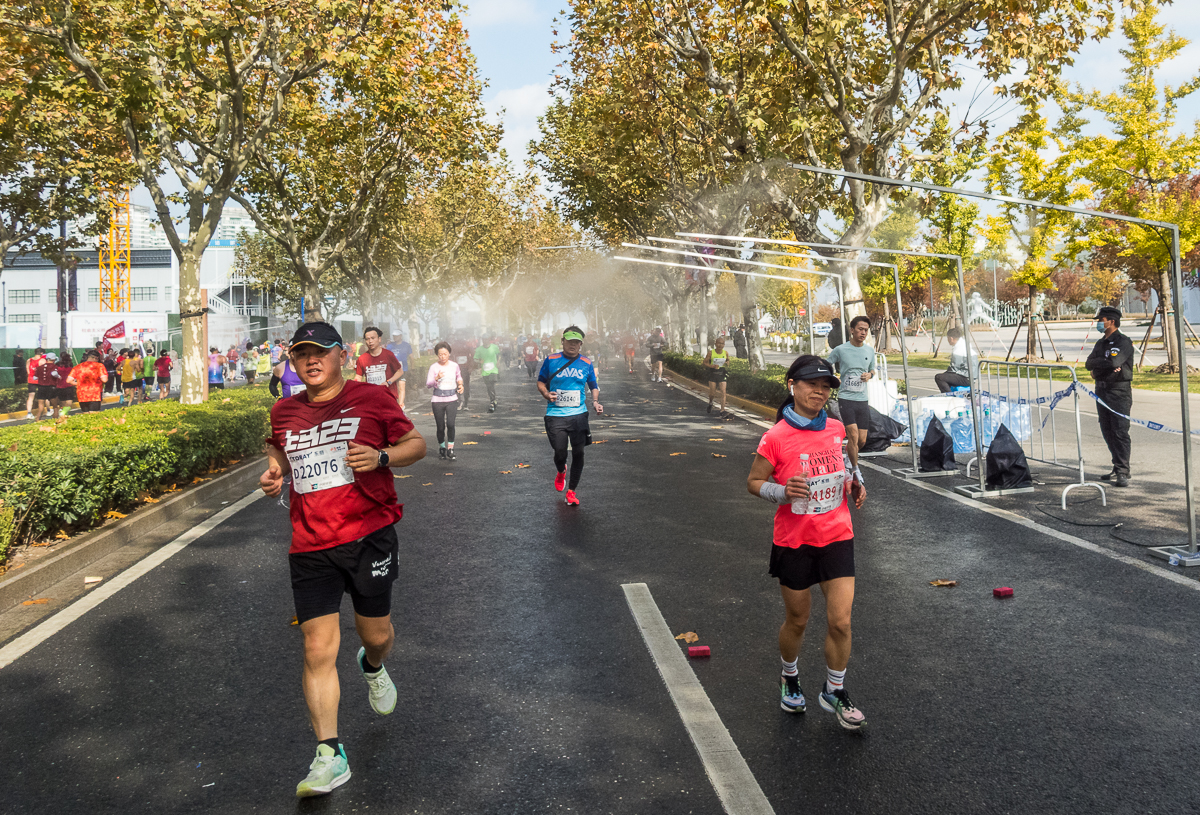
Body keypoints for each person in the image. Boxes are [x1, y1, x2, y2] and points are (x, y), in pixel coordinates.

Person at [259, 321, 425, 799]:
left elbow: (416, 445)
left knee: (377, 635)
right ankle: (329, 755)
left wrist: (383, 458)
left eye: (321, 352)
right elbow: (280, 454)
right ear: (293, 362)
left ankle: (372, 666)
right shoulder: (284, 410)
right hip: (310, 544)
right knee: (316, 648)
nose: (311, 361)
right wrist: (274, 474)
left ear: (341, 356)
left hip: (369, 536)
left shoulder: (372, 400)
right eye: (301, 354)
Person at [746, 354, 867, 729]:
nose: (819, 391)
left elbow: (847, 468)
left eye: (826, 386)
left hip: (837, 536)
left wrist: (856, 483)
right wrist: (782, 492)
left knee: (841, 622)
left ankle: (834, 690)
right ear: (792, 386)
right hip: (794, 541)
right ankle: (789, 676)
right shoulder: (776, 437)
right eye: (812, 384)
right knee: (798, 620)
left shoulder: (835, 429)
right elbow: (752, 483)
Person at [537, 326, 603, 506]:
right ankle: (561, 470)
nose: (572, 345)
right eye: (569, 341)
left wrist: (595, 402)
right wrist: (545, 394)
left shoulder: (586, 363)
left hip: (578, 415)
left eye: (576, 342)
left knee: (579, 452)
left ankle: (572, 491)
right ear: (563, 342)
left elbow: (593, 385)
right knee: (560, 452)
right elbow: (541, 381)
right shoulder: (551, 360)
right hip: (555, 414)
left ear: (581, 344)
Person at [1085, 306, 1134, 487]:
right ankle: (1116, 465)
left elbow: (1114, 361)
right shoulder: (1101, 343)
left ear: (1111, 321)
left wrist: (1102, 366)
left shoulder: (1123, 342)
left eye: (1101, 320)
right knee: (1107, 430)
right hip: (1102, 391)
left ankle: (1123, 470)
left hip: (1118, 391)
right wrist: (1102, 366)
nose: (1099, 323)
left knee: (1120, 431)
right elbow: (1088, 363)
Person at [825, 316, 875, 472]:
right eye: (860, 329)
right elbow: (827, 364)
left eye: (866, 330)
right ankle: (855, 469)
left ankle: (848, 457)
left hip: (862, 399)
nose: (863, 333)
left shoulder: (869, 350)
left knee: (861, 440)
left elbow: (873, 369)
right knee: (852, 435)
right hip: (846, 398)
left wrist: (870, 375)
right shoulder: (841, 349)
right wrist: (832, 377)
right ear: (852, 330)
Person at [426, 342, 464, 460]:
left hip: (452, 399)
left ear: (449, 354)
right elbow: (428, 384)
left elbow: (459, 377)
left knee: (451, 424)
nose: (442, 357)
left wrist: (461, 385)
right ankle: (442, 447)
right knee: (440, 426)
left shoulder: (454, 365)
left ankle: (450, 449)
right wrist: (436, 378)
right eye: (440, 354)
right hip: (437, 400)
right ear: (437, 355)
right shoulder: (434, 367)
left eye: (445, 354)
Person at [355, 326, 405, 407]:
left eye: (373, 338)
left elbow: (400, 371)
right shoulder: (362, 358)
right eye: (367, 339)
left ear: (379, 339)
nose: (370, 341)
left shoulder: (388, 355)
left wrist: (388, 382)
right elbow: (358, 376)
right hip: (371, 398)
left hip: (389, 397)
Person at [934, 328, 978, 393]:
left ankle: (949, 396)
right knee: (946, 377)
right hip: (971, 376)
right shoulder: (965, 344)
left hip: (966, 378)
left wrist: (945, 373)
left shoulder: (958, 349)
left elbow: (954, 368)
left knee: (939, 377)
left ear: (951, 338)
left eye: (948, 338)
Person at [703, 336, 731, 417]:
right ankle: (711, 402)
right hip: (713, 374)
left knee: (723, 392)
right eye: (719, 343)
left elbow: (728, 360)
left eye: (722, 344)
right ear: (715, 344)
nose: (720, 345)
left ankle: (722, 410)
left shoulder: (725, 353)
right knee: (712, 393)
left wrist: (727, 363)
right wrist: (712, 366)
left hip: (722, 374)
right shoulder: (711, 353)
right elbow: (704, 363)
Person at [473, 336, 501, 412]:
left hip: (493, 370)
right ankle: (493, 399)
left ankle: (492, 401)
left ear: (489, 340)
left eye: (487, 339)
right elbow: (475, 359)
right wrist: (479, 361)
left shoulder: (494, 347)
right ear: (482, 340)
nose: (485, 341)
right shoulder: (479, 349)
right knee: (489, 386)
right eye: (484, 340)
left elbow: (499, 354)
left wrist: (498, 362)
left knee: (491, 384)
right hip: (485, 371)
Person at [453, 340, 473, 410]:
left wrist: (470, 367)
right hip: (457, 370)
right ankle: (459, 401)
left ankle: (466, 403)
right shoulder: (454, 347)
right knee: (457, 385)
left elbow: (471, 358)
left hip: (466, 369)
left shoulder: (467, 347)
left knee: (466, 386)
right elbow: (452, 358)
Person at [24, 347, 43, 419]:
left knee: (30, 397)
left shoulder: (29, 360)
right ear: (41, 353)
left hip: (31, 380)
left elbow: (28, 371)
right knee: (43, 397)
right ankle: (47, 410)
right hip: (40, 380)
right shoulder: (42, 361)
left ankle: (29, 413)